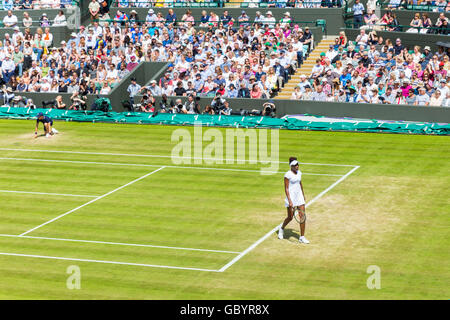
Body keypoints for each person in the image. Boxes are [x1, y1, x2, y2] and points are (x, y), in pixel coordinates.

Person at [278, 157, 310, 244]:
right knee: (290, 217)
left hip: (299, 197)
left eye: (297, 164)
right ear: (291, 166)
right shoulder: (287, 175)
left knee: (302, 216)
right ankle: (281, 229)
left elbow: (300, 183)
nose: (297, 166)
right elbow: (286, 188)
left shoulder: (299, 173)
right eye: (295, 165)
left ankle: (302, 237)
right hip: (291, 197)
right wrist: (290, 200)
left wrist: (303, 194)